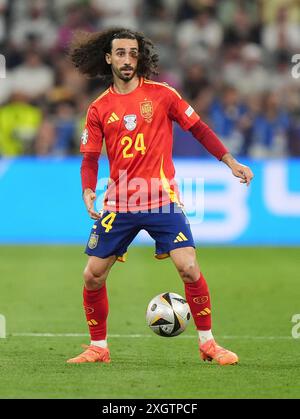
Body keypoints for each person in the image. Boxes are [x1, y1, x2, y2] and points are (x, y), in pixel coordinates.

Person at [67, 28, 253, 365]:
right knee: (92, 275)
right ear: (109, 58)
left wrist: (230, 161)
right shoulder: (99, 108)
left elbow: (198, 128)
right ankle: (98, 347)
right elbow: (90, 157)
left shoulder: (163, 94)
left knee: (190, 268)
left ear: (140, 57)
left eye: (133, 53)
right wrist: (88, 189)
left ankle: (209, 344)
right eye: (120, 53)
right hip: (119, 203)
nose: (127, 60)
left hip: (161, 198)